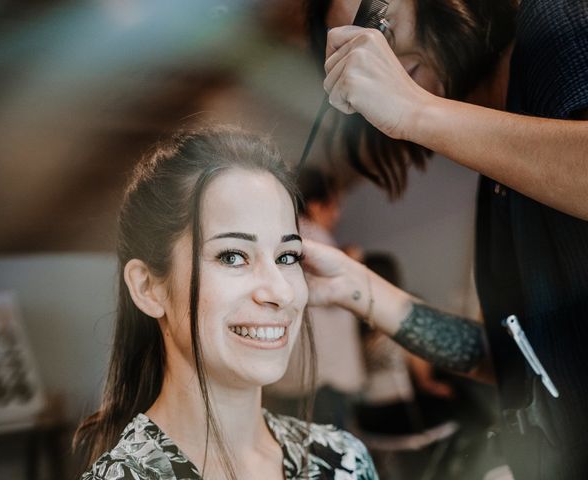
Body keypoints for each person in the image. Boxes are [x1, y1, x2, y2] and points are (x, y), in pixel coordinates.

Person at [302, 0, 588, 479]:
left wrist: (418, 111)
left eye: (374, 22)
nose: (376, 55)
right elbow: (514, 357)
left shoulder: (557, 24)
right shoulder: (499, 186)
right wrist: (361, 290)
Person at [73, 127, 377, 479]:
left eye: (288, 256)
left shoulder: (344, 459)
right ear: (148, 288)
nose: (281, 292)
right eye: (233, 256)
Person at [265, 168, 366, 429]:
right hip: (322, 380)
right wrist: (352, 265)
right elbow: (341, 293)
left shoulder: (281, 239)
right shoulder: (315, 240)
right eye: (334, 205)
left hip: (292, 377)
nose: (337, 214)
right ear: (316, 205)